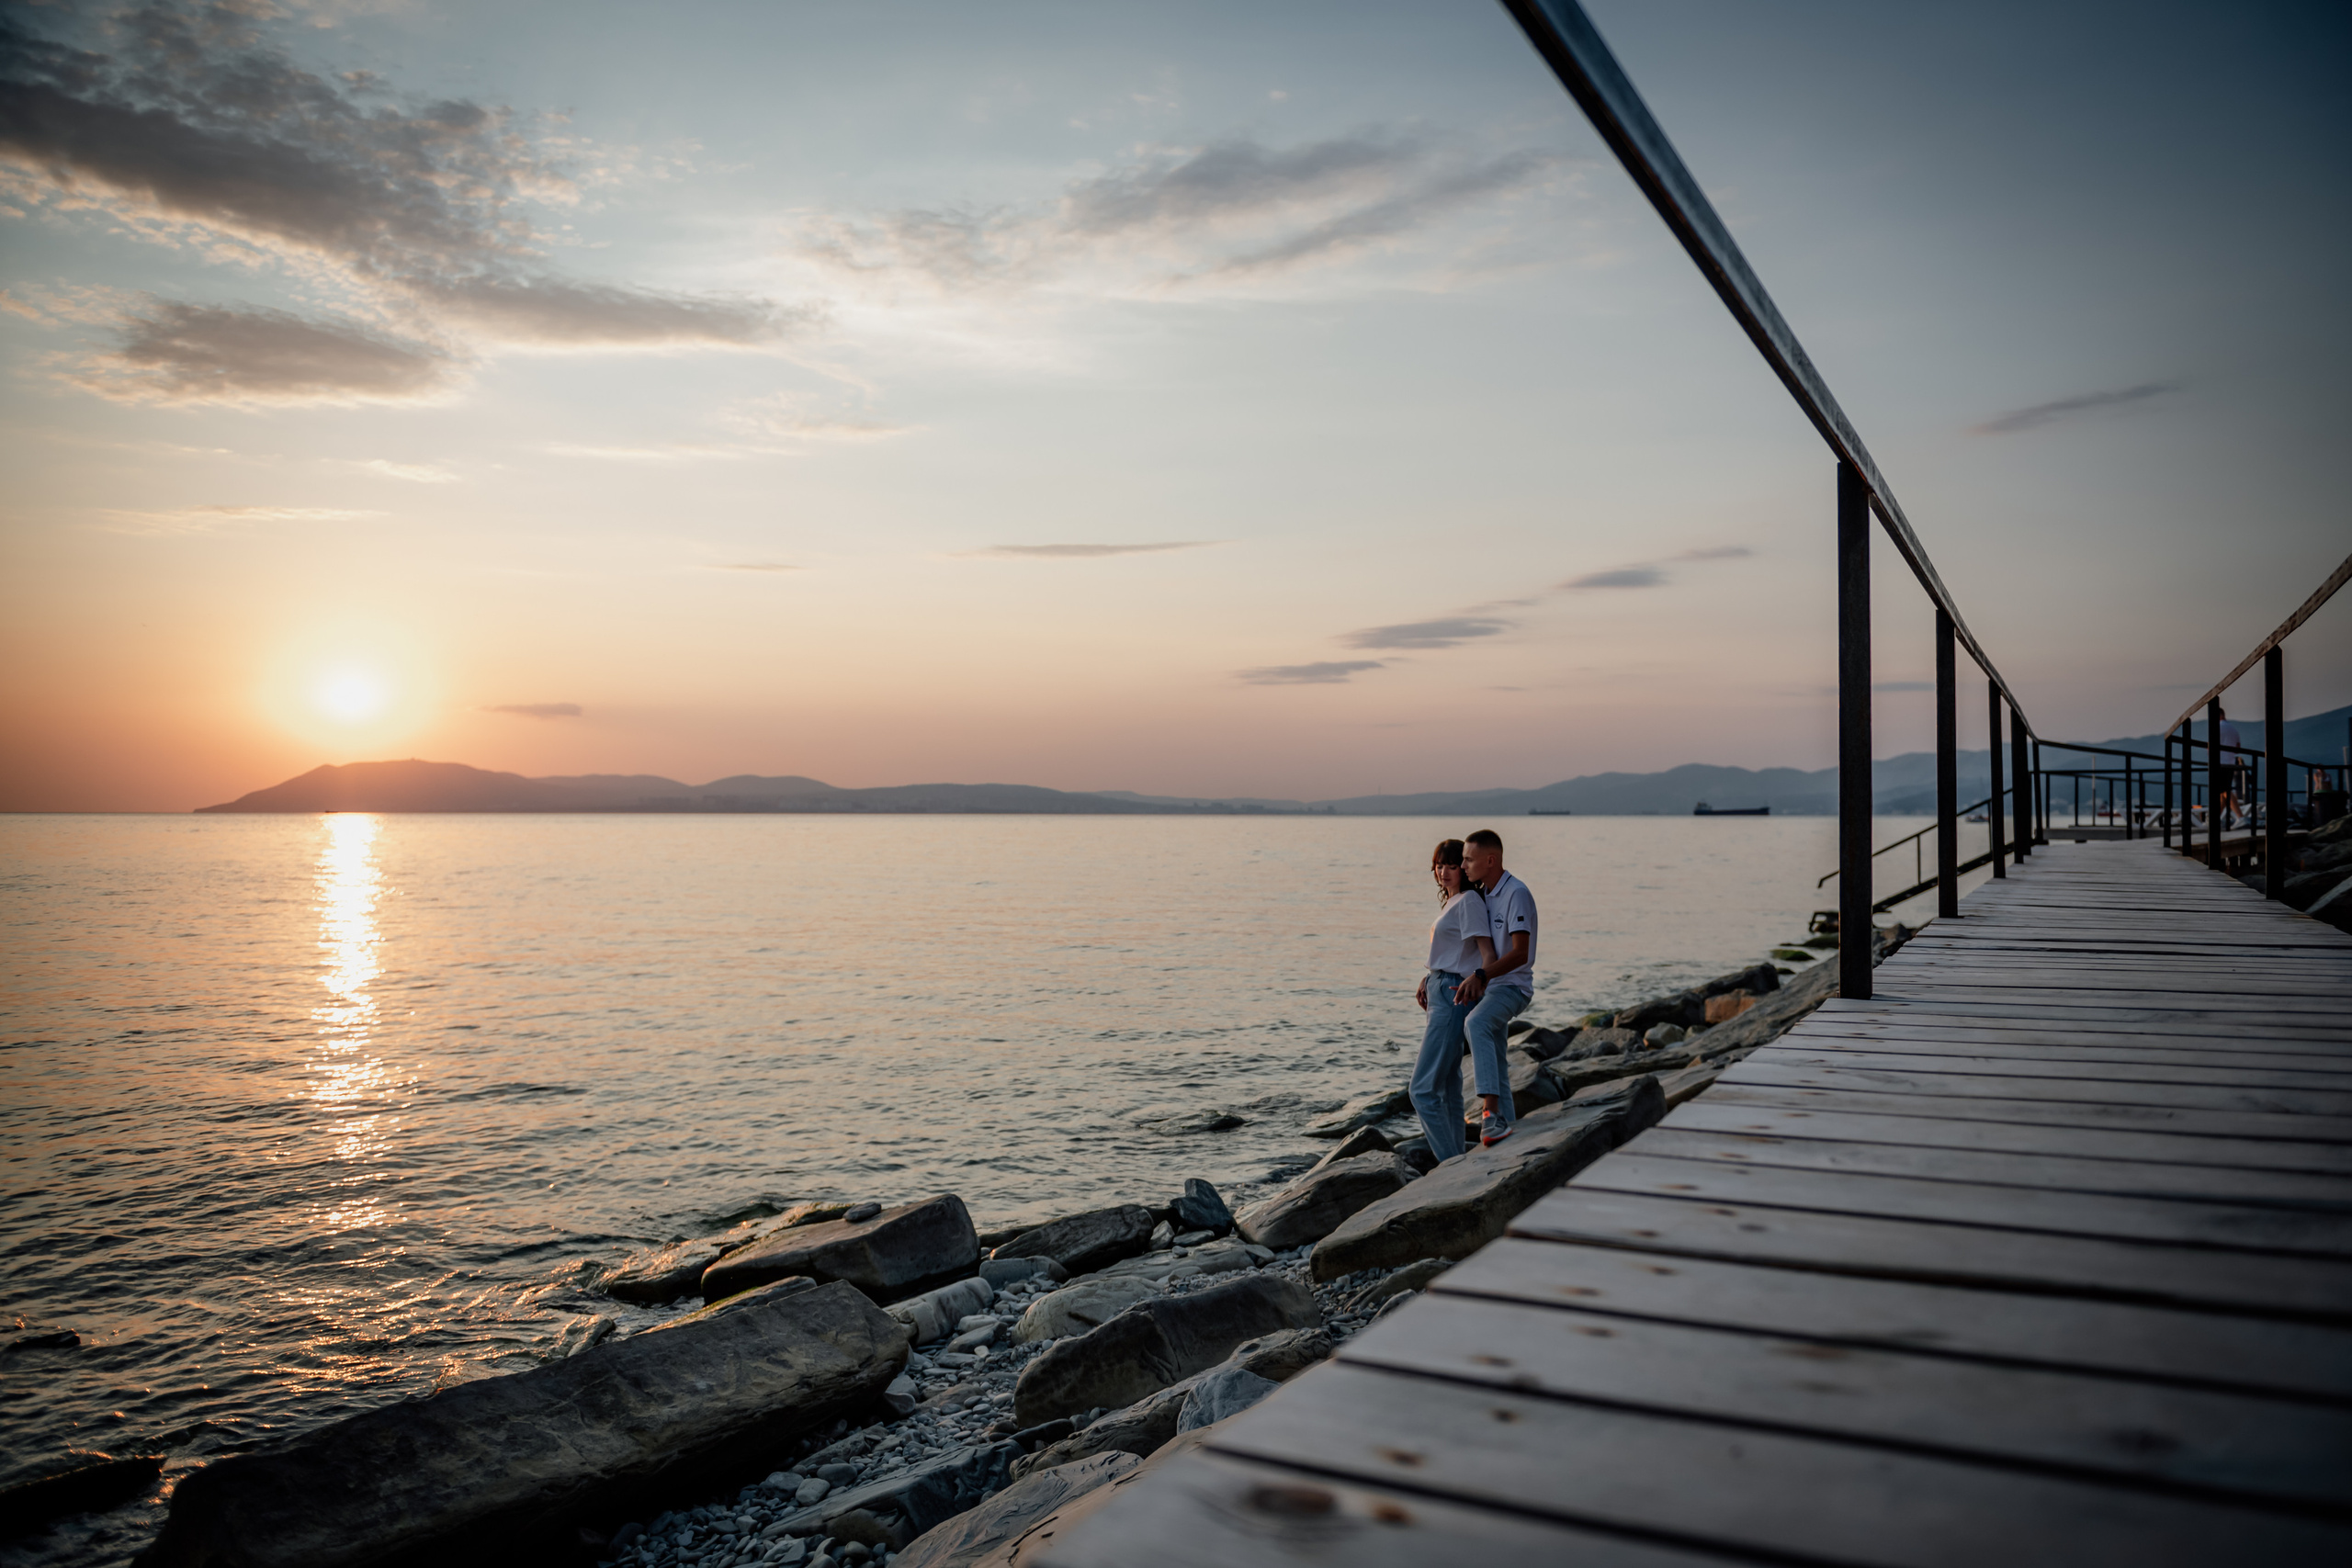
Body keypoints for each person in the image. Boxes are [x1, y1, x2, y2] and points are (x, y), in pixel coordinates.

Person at [1408, 839, 1496, 1163]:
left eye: (1452, 865)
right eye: (1439, 865)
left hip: (1452, 993)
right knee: (1446, 1085)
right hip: (1440, 987)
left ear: (1465, 868)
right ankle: (1459, 1158)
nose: (1443, 872)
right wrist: (1429, 978)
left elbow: (1486, 954)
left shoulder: (1469, 901)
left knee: (1422, 1089)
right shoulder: (1453, 901)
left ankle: (1451, 1165)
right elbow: (1453, 952)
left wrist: (1478, 981)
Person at [1456, 829, 1537, 1147]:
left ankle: (1489, 1114)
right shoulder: (1484, 895)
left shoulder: (1516, 893)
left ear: (1490, 861)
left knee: (1475, 1023)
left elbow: (1520, 954)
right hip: (1492, 986)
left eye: (1468, 860)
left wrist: (1481, 975)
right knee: (1498, 1061)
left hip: (1514, 986)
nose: (1463, 866)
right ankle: (1508, 1126)